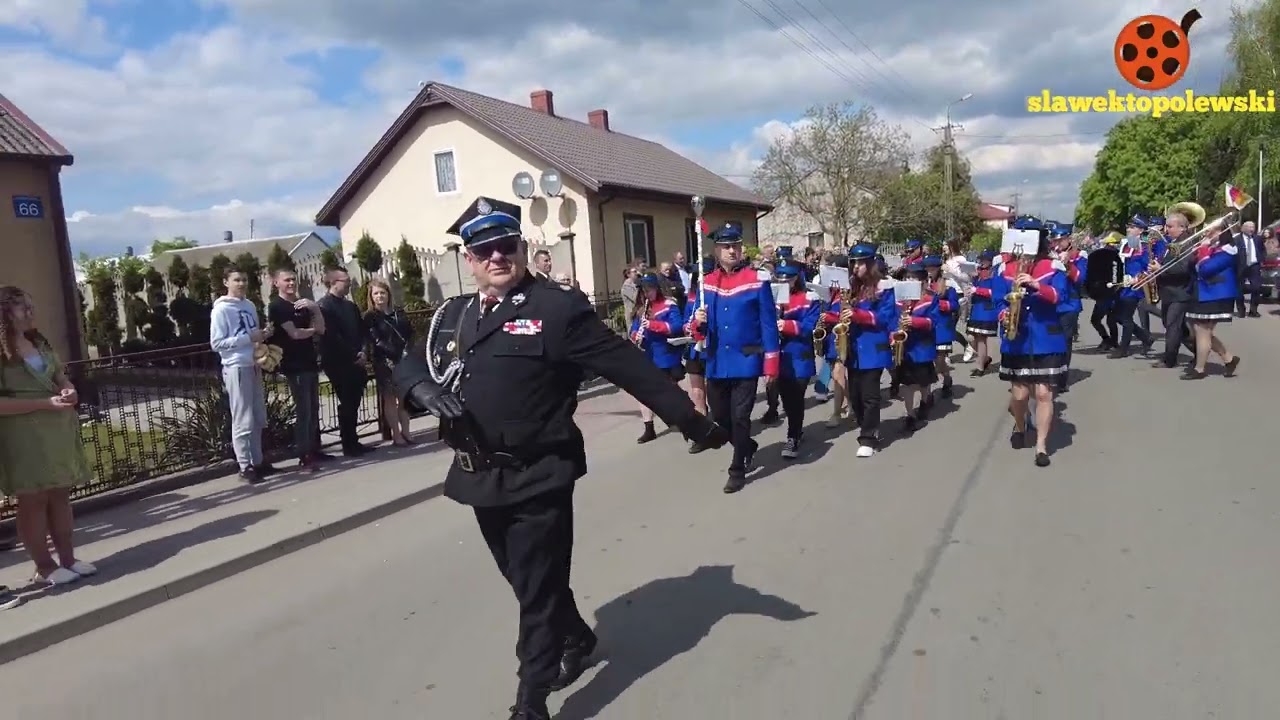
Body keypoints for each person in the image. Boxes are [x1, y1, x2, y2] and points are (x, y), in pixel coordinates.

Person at [392, 197, 727, 720]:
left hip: (540, 472)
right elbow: (408, 364)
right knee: (526, 577)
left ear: (522, 250)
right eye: (486, 250)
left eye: (507, 246)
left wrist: (691, 420)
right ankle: (575, 636)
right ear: (471, 259)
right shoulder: (453, 314)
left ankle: (531, 697)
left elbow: (627, 365)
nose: (498, 257)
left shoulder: (556, 308)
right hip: (481, 476)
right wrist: (421, 391)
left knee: (535, 588)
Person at [0, 286, 95, 585]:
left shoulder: (38, 341)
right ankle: (44, 566)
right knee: (34, 499)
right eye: (22, 308)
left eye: (31, 306)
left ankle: (68, 558)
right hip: (23, 435)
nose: (30, 312)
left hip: (56, 431)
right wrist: (44, 403)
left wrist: (68, 388)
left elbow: (59, 375)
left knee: (59, 494)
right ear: (4, 313)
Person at [687, 222, 780, 493]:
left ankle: (737, 468)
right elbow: (695, 331)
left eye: (735, 246)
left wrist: (771, 363)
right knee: (722, 419)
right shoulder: (707, 283)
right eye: (726, 246)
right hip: (717, 362)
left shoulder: (756, 279)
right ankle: (746, 445)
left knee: (741, 417)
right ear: (716, 251)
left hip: (747, 360)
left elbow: (768, 324)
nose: (731, 250)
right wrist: (698, 322)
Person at [994, 228, 1069, 467]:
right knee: (1020, 395)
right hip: (1017, 339)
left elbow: (1061, 296)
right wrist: (1004, 313)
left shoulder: (1053, 267)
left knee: (1044, 394)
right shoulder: (1004, 270)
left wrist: (1037, 285)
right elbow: (997, 300)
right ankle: (1020, 424)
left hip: (1046, 338)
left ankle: (1041, 446)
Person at [210, 267, 275, 482]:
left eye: (244, 279)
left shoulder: (249, 305)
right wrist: (248, 337)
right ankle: (244, 465)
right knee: (242, 418)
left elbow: (253, 335)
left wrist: (263, 335)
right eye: (236, 280)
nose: (241, 284)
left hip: (254, 363)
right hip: (236, 365)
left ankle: (257, 461)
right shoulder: (221, 310)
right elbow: (217, 343)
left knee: (257, 416)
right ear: (226, 282)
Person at [838, 243, 896, 457]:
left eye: (861, 263)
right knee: (855, 395)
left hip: (874, 348)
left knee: (870, 395)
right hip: (853, 348)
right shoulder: (850, 287)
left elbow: (885, 318)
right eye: (853, 262)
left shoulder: (884, 287)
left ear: (871, 264)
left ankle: (868, 437)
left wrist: (858, 316)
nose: (856, 267)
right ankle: (867, 425)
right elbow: (843, 313)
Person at [267, 268, 327, 471]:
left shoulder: (302, 304)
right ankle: (304, 453)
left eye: (293, 279)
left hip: (309, 362)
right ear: (276, 283)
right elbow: (294, 334)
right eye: (286, 280)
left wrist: (315, 309)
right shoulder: (277, 306)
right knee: (304, 411)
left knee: (313, 408)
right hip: (294, 364)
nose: (291, 283)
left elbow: (322, 328)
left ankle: (314, 448)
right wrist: (313, 330)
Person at [317, 268, 375, 457]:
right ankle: (348, 443)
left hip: (357, 359)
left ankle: (353, 441)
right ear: (333, 282)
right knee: (348, 402)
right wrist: (354, 355)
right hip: (338, 361)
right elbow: (332, 336)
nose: (349, 283)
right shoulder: (324, 306)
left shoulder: (350, 306)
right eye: (346, 280)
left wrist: (364, 351)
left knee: (354, 401)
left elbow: (362, 331)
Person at [628, 272, 687, 443]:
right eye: (644, 290)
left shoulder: (669, 304)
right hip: (648, 355)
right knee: (643, 392)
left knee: (671, 391)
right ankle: (649, 428)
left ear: (656, 288)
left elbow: (677, 326)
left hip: (666, 355)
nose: (647, 293)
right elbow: (634, 329)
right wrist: (635, 336)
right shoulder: (642, 309)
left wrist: (653, 325)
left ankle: (685, 420)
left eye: (649, 289)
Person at [773, 255, 821, 458]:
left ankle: (793, 435)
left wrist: (787, 325)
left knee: (796, 397)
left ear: (797, 278)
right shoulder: (771, 296)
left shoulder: (810, 297)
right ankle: (797, 428)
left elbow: (810, 327)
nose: (785, 282)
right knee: (786, 398)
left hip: (799, 355)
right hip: (779, 356)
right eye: (781, 279)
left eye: (789, 279)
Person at [1185, 227, 1242, 380]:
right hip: (1203, 294)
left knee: (1202, 331)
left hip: (1216, 296)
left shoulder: (1228, 251)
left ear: (1222, 233)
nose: (1207, 234)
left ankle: (1200, 369)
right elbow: (1194, 270)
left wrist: (1203, 250)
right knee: (1200, 331)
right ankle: (1229, 358)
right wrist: (1195, 255)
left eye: (1212, 231)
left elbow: (1206, 270)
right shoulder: (1212, 249)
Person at [364, 279, 416, 446]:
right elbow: (376, 339)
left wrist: (406, 351)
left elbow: (409, 333)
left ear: (388, 295)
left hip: (403, 359)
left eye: (383, 293)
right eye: (376, 293)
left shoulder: (398, 313)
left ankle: (406, 431)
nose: (380, 296)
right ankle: (396, 435)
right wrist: (393, 353)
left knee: (403, 398)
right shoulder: (370, 317)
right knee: (390, 398)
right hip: (384, 361)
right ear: (371, 297)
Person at [893, 261, 937, 433]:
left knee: (924, 382)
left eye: (913, 278)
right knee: (908, 384)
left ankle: (925, 401)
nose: (908, 280)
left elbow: (933, 322)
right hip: (906, 348)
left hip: (922, 347)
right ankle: (910, 414)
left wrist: (915, 321)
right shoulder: (900, 300)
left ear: (921, 281)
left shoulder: (930, 299)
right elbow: (892, 319)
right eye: (906, 277)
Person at [1151, 211, 1196, 369]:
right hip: (1168, 291)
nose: (1166, 229)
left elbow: (1184, 268)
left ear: (1182, 228)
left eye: (1170, 226)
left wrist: (1161, 268)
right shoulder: (1171, 243)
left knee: (1172, 325)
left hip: (1179, 291)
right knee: (1174, 325)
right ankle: (1200, 350)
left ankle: (1169, 359)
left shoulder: (1187, 243)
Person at [681, 257, 714, 452]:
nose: (699, 278)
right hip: (693, 349)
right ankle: (701, 432)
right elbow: (686, 319)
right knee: (696, 391)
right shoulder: (692, 297)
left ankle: (717, 423)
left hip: (711, 348)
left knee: (713, 390)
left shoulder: (715, 295)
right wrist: (687, 325)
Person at [1114, 216, 1154, 358]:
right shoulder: (1127, 244)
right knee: (1119, 316)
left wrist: (1136, 278)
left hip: (1136, 287)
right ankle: (1145, 336)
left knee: (1125, 318)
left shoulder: (1144, 247)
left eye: (1132, 227)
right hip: (1124, 286)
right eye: (1128, 227)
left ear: (1141, 230)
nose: (1128, 229)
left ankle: (1123, 348)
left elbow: (1148, 268)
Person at [1052, 229, 1086, 392]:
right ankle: (1051, 372)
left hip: (1069, 304)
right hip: (1052, 303)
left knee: (1065, 341)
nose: (1057, 244)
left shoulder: (1079, 255)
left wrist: (1067, 264)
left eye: (1061, 240)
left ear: (1069, 239)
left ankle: (1062, 378)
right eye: (1055, 240)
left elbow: (1080, 278)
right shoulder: (1050, 254)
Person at [923, 254, 959, 400]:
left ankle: (947, 378)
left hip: (942, 326)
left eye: (932, 269)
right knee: (927, 360)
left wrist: (939, 304)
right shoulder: (923, 284)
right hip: (926, 327)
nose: (929, 272)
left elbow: (955, 305)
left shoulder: (948, 284)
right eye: (927, 269)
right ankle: (928, 392)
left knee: (939, 361)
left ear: (938, 269)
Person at [1084, 232, 1124, 349]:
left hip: (1100, 291)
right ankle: (1112, 341)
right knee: (1111, 319)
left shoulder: (1094, 255)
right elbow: (1117, 275)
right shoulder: (1115, 256)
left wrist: (1089, 289)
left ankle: (1109, 340)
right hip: (1111, 291)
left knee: (1098, 319)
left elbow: (1088, 274)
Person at [964, 250, 999, 377]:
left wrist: (977, 290)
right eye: (981, 260)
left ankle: (980, 366)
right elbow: (973, 289)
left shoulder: (995, 274)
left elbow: (994, 292)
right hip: (976, 309)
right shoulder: (977, 274)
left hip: (987, 310)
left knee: (981, 339)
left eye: (984, 260)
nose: (981, 262)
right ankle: (984, 358)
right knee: (970, 337)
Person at [941, 238, 975, 362]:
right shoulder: (946, 260)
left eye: (945, 245)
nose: (943, 248)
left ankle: (966, 346)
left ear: (952, 246)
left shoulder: (961, 259)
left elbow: (966, 277)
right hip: (946, 293)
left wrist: (951, 270)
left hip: (959, 294)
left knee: (950, 326)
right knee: (944, 324)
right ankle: (944, 354)